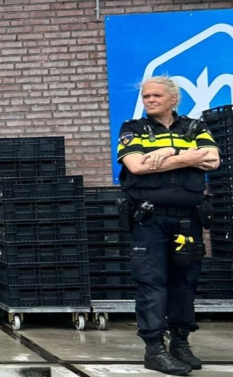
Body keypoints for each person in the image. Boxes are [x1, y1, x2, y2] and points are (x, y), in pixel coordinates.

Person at [117, 76, 220, 375]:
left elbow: (212, 159)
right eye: (146, 96)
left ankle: (180, 343)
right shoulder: (133, 128)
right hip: (150, 220)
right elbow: (137, 165)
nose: (149, 100)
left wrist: (169, 153)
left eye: (156, 96)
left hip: (188, 221)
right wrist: (189, 157)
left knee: (184, 283)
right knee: (152, 283)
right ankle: (154, 349)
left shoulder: (195, 127)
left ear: (173, 99)